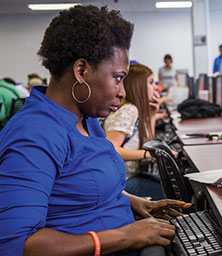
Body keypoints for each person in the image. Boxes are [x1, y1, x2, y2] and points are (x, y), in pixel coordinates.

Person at [0, 5, 190, 255]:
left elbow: (84, 191)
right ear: (81, 71)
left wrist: (136, 204)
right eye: (118, 78)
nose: (122, 92)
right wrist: (125, 236)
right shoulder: (34, 134)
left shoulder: (86, 118)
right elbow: (18, 245)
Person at [104, 63, 166, 200]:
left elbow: (148, 142)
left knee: (168, 186)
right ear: (139, 86)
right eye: (151, 82)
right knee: (169, 193)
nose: (156, 86)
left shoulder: (135, 109)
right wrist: (148, 154)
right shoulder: (130, 110)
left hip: (129, 176)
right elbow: (111, 149)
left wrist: (152, 115)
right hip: (121, 181)